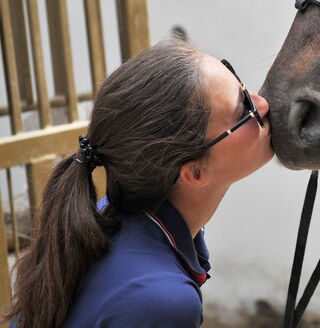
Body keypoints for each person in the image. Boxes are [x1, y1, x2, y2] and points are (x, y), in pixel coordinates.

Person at [5, 39, 274, 328]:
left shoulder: (109, 217)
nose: (263, 103)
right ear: (194, 172)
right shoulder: (161, 301)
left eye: (240, 82)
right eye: (243, 108)